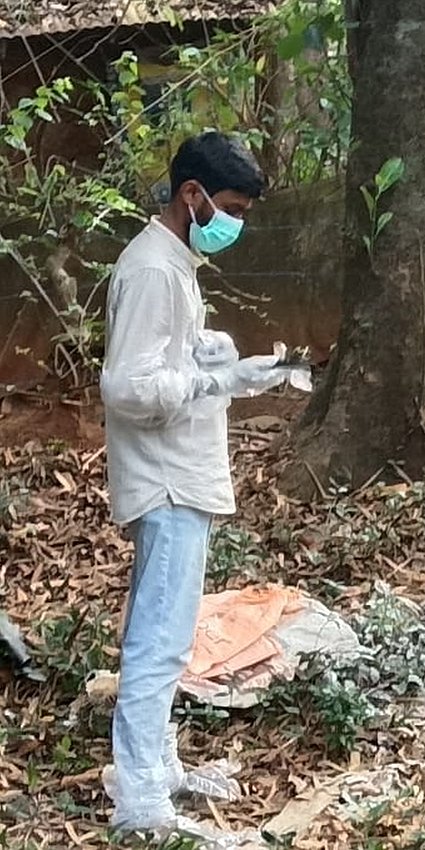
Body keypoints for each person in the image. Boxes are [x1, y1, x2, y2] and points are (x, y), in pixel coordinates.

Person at [100, 132, 294, 832]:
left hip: (179, 472)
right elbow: (128, 386)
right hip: (167, 479)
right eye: (230, 207)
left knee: (170, 634)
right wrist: (211, 376)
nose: (233, 221)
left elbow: (160, 362)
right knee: (159, 641)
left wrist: (212, 360)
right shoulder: (153, 268)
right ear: (193, 195)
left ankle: (160, 767)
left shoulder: (173, 264)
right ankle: (140, 801)